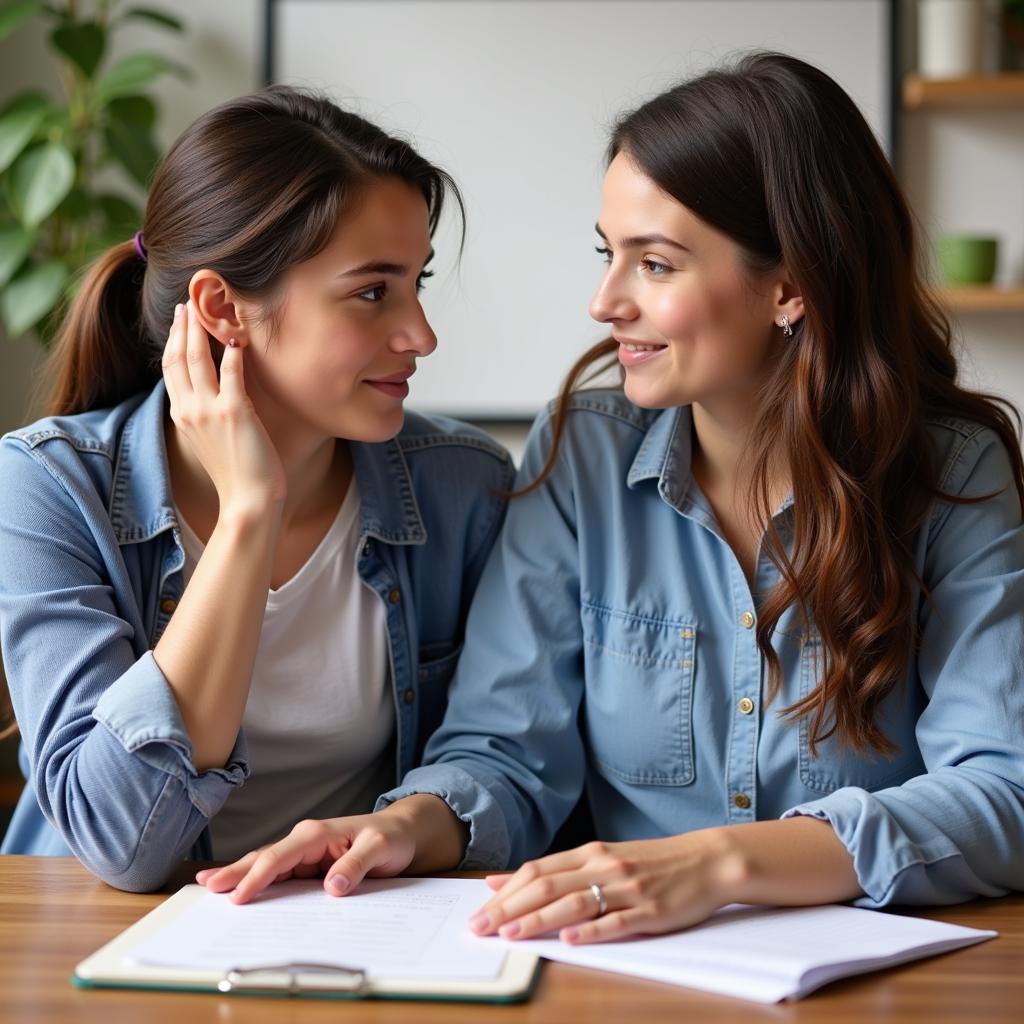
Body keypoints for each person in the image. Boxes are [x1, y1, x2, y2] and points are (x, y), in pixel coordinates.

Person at [198, 53, 1024, 943]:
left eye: (656, 265)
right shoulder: (583, 452)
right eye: (608, 255)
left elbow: (1003, 794)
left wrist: (721, 865)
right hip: (627, 968)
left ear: (790, 285)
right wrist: (404, 826)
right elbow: (505, 750)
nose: (604, 301)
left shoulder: (953, 476)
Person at [0, 86, 514, 892]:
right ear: (222, 308)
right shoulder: (49, 487)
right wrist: (248, 514)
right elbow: (121, 843)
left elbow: (496, 754)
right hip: (97, 945)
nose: (420, 335)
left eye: (417, 283)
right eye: (373, 292)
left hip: (365, 929)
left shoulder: (461, 486)